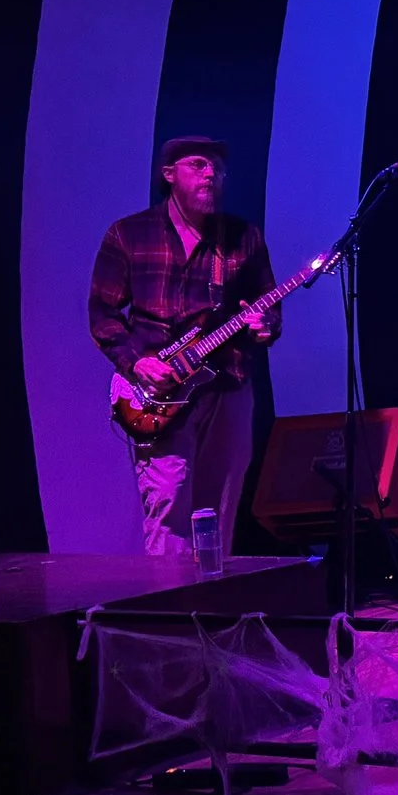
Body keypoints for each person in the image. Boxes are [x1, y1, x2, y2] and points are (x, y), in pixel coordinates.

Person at [90, 136, 281, 556]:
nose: (211, 174)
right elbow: (102, 313)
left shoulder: (243, 237)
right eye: (199, 164)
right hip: (157, 395)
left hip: (227, 386)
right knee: (168, 502)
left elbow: (268, 310)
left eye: (218, 168)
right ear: (169, 174)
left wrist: (263, 325)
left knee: (220, 511)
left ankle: (214, 613)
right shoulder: (129, 234)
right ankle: (171, 615)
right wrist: (137, 363)